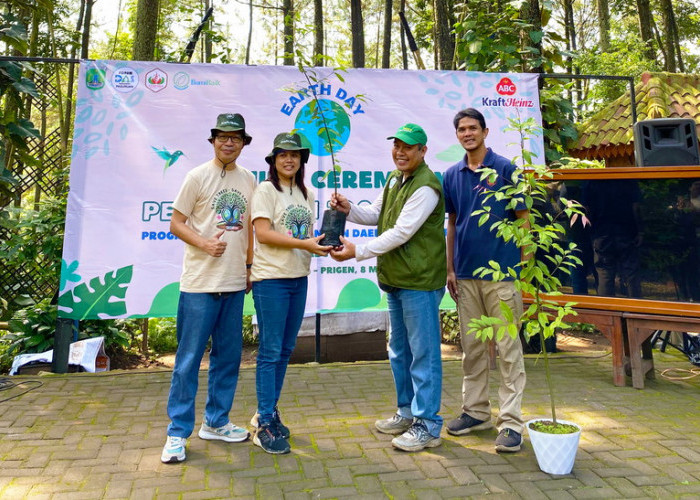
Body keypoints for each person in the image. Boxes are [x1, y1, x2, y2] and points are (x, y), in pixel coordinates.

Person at [330, 123, 446, 452]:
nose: (400, 152)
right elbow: (376, 215)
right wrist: (348, 209)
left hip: (420, 282)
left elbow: (401, 232)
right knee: (399, 350)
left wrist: (358, 252)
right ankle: (407, 412)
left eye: (408, 147)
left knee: (423, 353)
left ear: (423, 151)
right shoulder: (394, 179)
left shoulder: (426, 186)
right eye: (396, 145)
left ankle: (429, 424)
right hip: (396, 279)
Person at [161, 113, 256, 464]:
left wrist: (248, 268)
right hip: (199, 284)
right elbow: (175, 223)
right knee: (187, 361)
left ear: (244, 143)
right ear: (213, 140)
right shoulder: (195, 176)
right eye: (222, 137)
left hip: (233, 285)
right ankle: (177, 433)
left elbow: (249, 229)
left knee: (228, 358)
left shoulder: (249, 180)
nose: (228, 142)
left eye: (235, 138)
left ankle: (216, 422)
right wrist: (204, 243)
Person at [443, 108, 527, 453]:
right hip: (465, 276)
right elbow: (452, 223)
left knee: (508, 350)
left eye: (473, 128)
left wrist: (522, 268)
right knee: (473, 350)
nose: (467, 134)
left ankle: (510, 423)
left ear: (485, 131)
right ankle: (475, 411)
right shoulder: (451, 175)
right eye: (461, 129)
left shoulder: (506, 169)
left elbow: (523, 219)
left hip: (502, 276)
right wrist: (450, 268)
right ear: (457, 135)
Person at [249, 132, 332, 454]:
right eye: (282, 154)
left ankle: (268, 410)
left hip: (299, 277)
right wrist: (305, 244)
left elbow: (308, 237)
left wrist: (324, 245)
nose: (289, 159)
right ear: (273, 160)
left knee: (285, 350)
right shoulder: (265, 190)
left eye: (295, 155)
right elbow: (264, 234)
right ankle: (263, 423)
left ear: (302, 161)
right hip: (271, 280)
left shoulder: (306, 194)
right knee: (270, 351)